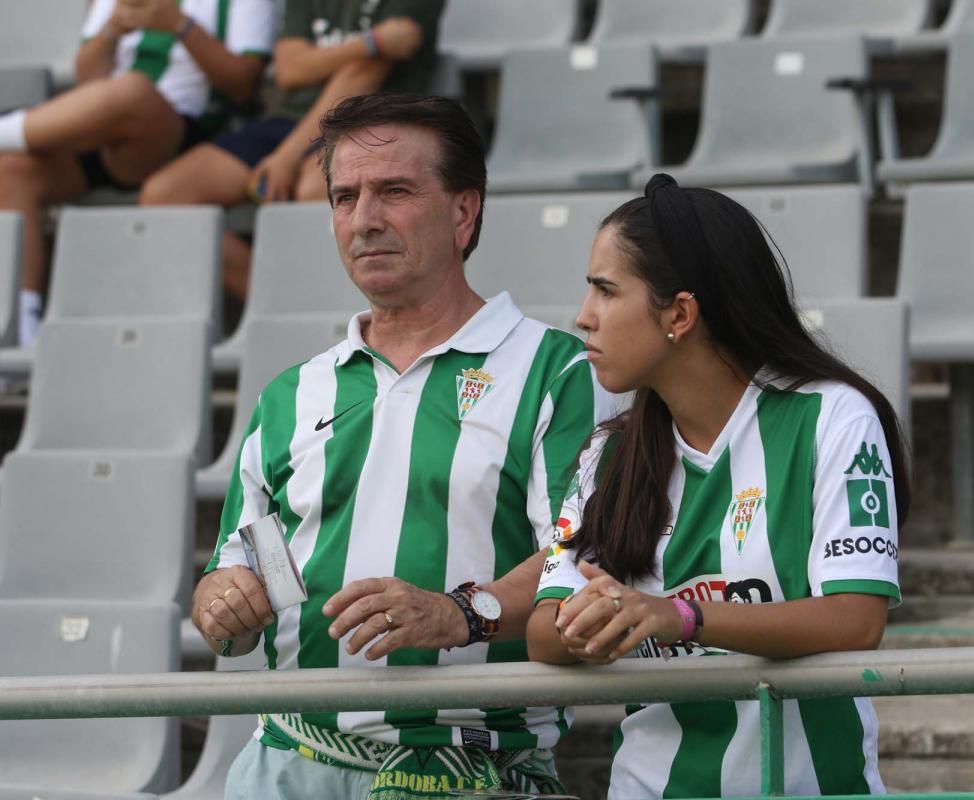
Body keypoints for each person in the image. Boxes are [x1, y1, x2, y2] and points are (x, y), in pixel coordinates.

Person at [192, 93, 613, 798]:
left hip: (473, 769)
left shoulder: (553, 370)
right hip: (287, 765)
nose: (365, 221)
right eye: (345, 197)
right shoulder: (290, 394)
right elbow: (239, 568)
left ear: (463, 212)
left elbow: (582, 557)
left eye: (394, 191)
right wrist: (222, 601)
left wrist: (458, 613)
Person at [527, 175, 911, 798]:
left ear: (679, 314)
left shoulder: (832, 417)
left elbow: (855, 618)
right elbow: (545, 629)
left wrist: (680, 616)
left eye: (605, 290)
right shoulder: (608, 453)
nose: (583, 316)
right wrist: (591, 620)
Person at [0, 0, 274, 346]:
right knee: (13, 170)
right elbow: (88, 78)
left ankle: (7, 130)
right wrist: (112, 31)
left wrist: (180, 26)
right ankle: (18, 336)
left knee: (135, 91)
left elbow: (243, 83)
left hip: (187, 132)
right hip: (107, 130)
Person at [140, 0, 445, 302]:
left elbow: (361, 75)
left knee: (317, 188)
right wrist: (372, 41)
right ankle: (280, 306)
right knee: (165, 197)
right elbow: (290, 70)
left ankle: (329, 313)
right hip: (286, 122)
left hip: (371, 122)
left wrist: (287, 156)